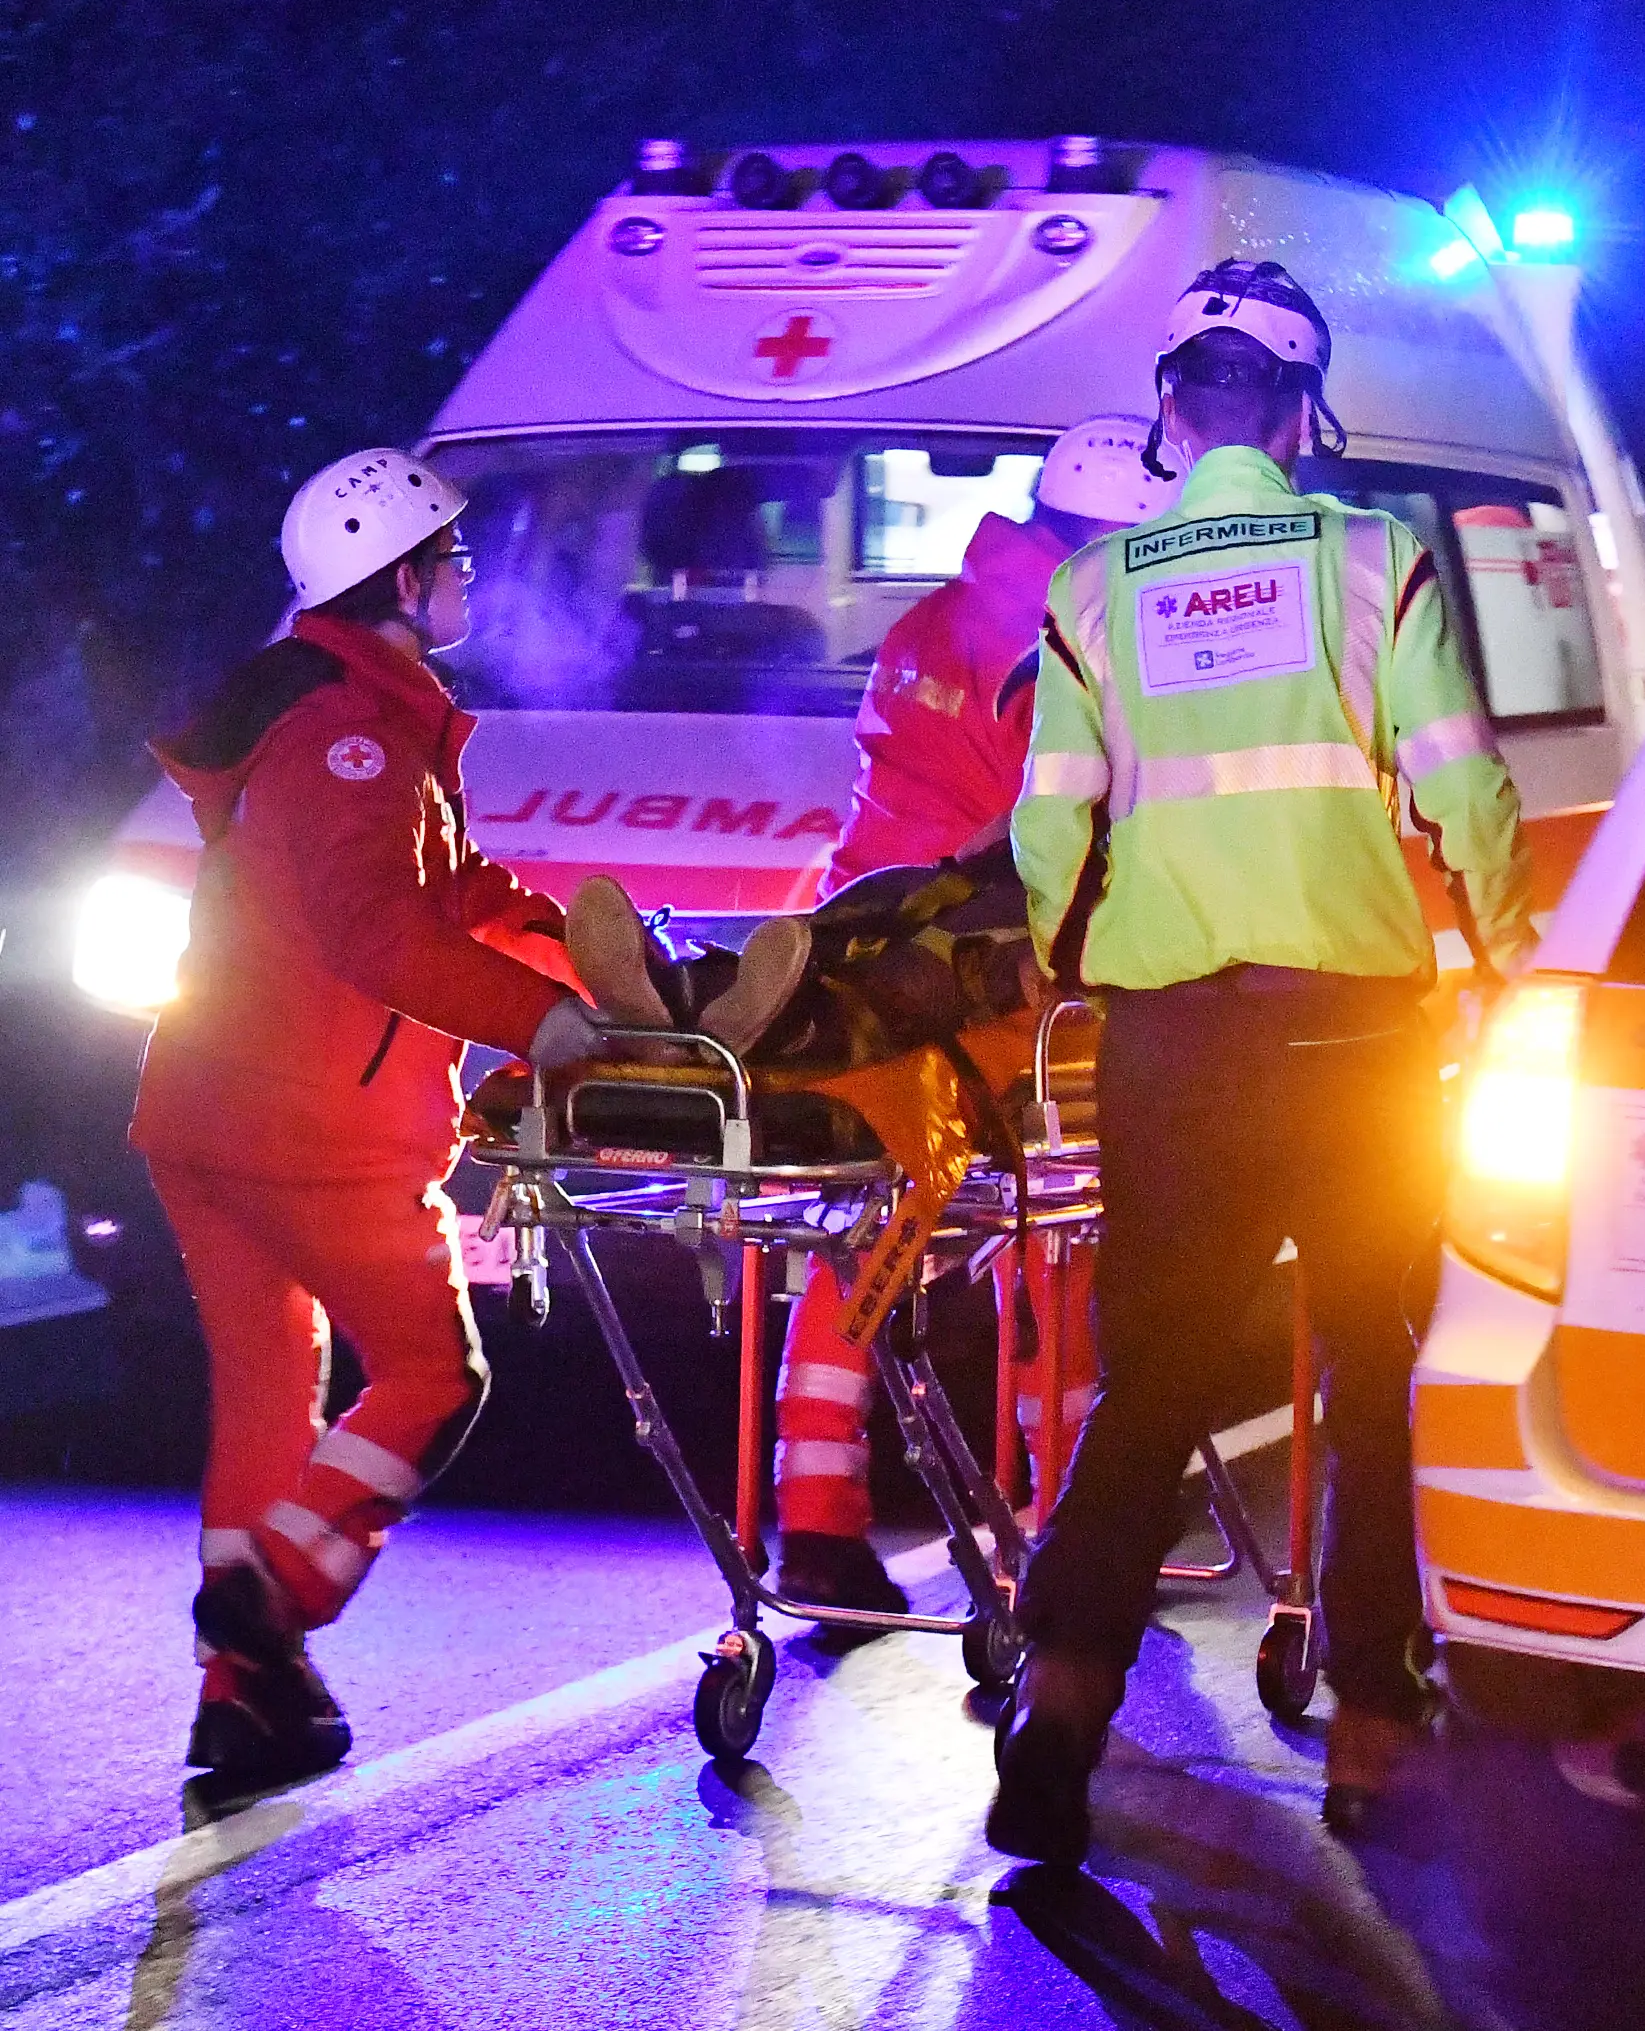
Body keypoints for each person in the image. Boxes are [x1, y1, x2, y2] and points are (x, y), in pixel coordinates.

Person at [987, 260, 1538, 1868]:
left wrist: (1070, 954)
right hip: (1354, 1041)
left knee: (1147, 1379)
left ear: (1169, 410)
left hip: (1172, 1044)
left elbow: (1050, 821)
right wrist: (1504, 955)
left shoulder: (1091, 593)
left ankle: (1063, 1710)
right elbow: (1464, 789)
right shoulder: (1376, 559)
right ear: (1303, 416)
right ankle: (1371, 1729)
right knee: (1376, 1376)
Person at [569, 419, 1180, 1622]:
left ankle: (818, 1530)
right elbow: (1066, 835)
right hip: (992, 964)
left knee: (848, 1205)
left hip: (867, 910)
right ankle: (1073, 1530)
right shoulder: (1070, 644)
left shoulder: (935, 620)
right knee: (1056, 1256)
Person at [132, 448, 609, 1785]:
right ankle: (277, 1592)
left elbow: (451, 887)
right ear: (400, 578)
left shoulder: (353, 718)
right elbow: (376, 930)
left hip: (209, 1114)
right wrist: (543, 1023)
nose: (467, 573)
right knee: (433, 1375)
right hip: (310, 1128)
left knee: (271, 1395)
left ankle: (242, 1703)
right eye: (451, 557)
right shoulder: (349, 737)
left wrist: (588, 955)